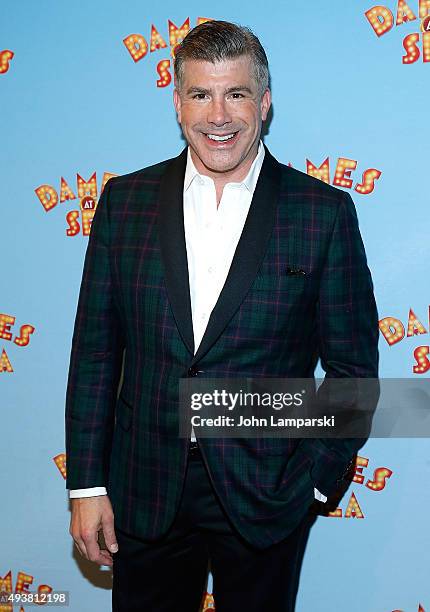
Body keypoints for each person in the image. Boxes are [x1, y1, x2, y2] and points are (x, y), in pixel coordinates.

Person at [65, 20, 379, 611]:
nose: (219, 116)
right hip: (144, 489)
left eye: (235, 94)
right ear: (177, 102)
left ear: (263, 102)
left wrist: (310, 483)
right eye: (201, 95)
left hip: (266, 495)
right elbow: (95, 356)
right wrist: (86, 484)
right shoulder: (124, 204)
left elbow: (352, 374)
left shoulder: (322, 213)